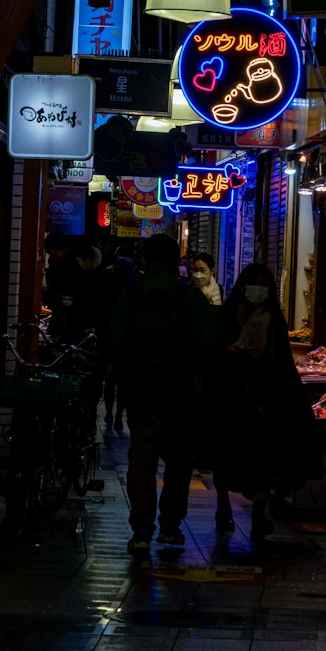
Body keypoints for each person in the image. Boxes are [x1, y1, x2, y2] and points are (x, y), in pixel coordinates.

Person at [109, 233, 218, 556]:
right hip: (182, 391)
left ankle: (141, 530)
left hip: (143, 391)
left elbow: (115, 345)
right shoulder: (192, 299)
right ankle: (170, 526)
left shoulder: (131, 296)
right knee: (180, 461)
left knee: (142, 460)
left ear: (143, 260)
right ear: (177, 261)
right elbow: (208, 346)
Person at [209, 262, 320, 541]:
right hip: (229, 399)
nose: (257, 289)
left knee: (259, 462)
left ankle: (259, 517)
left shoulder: (273, 320)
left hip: (263, 400)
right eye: (253, 282)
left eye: (263, 284)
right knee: (225, 457)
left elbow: (280, 362)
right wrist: (228, 354)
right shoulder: (226, 316)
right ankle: (223, 507)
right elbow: (212, 353)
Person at [97, 246, 140, 431]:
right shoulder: (136, 285)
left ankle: (108, 412)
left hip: (109, 336)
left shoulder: (107, 283)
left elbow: (101, 310)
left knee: (110, 379)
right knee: (123, 384)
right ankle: (118, 417)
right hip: (129, 340)